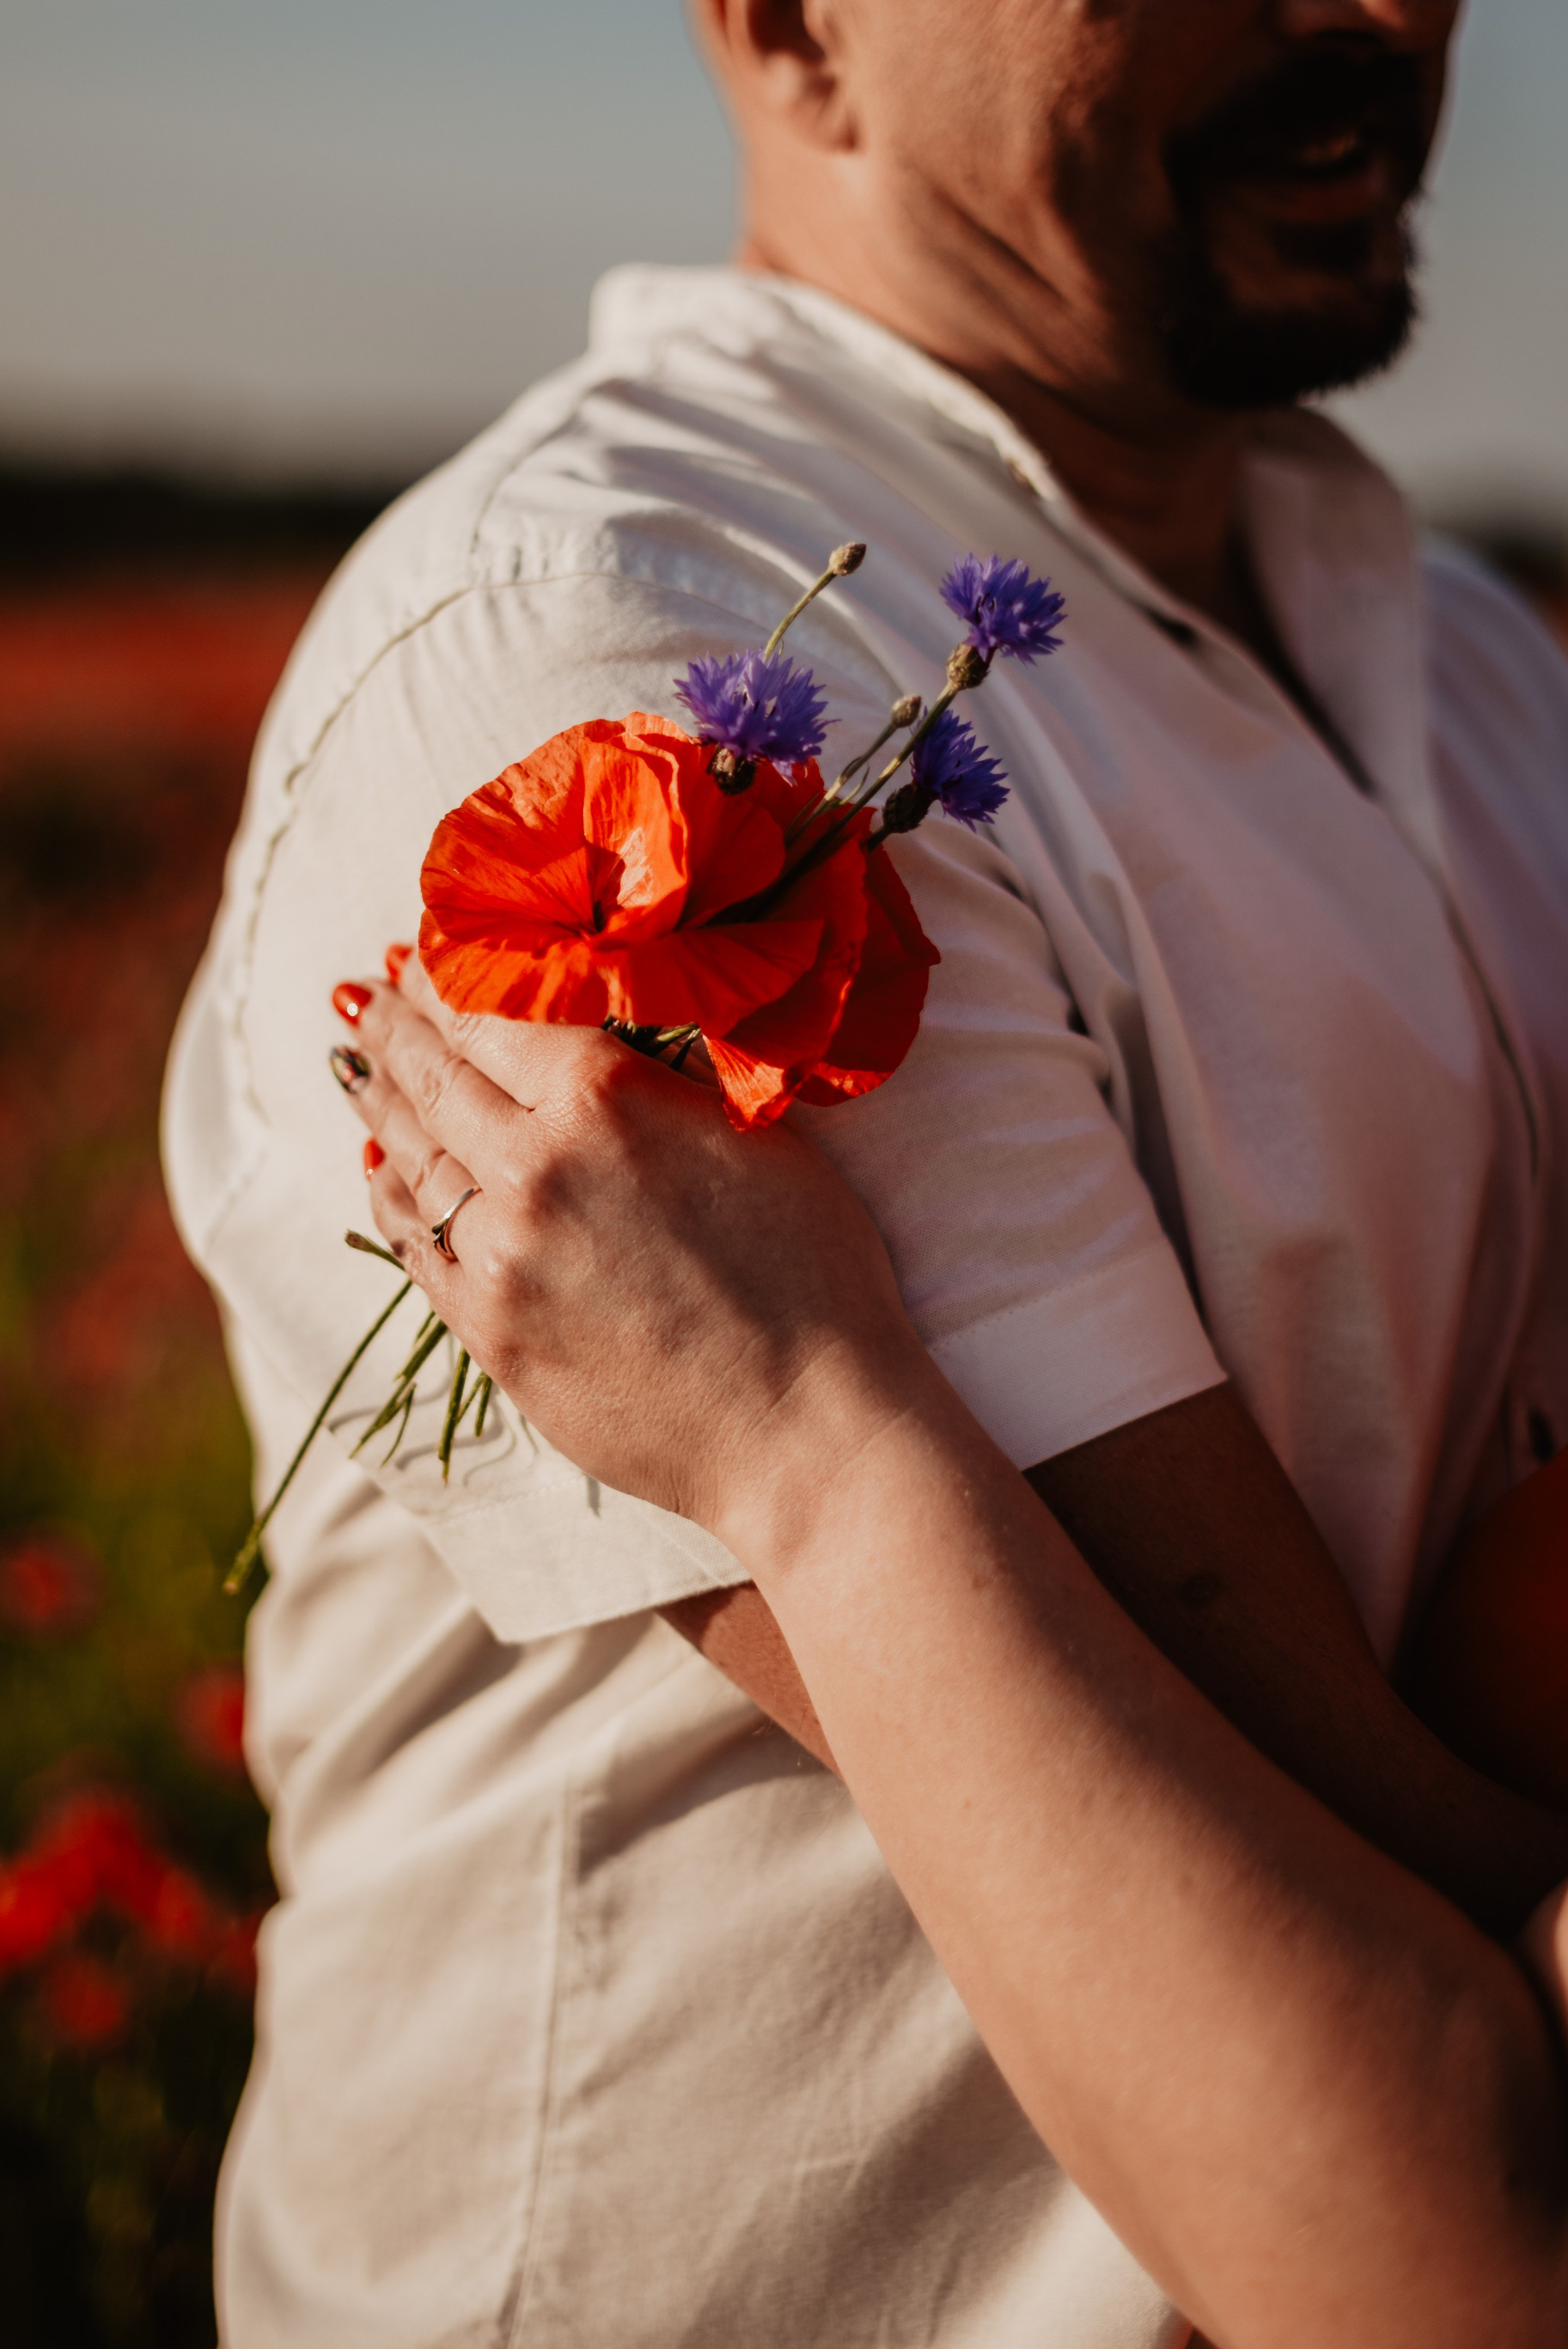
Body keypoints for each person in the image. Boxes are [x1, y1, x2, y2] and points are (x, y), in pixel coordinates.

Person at [160, 0, 1568, 2341]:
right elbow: (1422, 2064)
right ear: (791, 22)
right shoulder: (626, 667)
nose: (1377, 14)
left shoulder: (1474, 658)